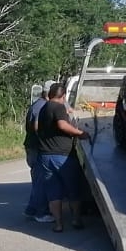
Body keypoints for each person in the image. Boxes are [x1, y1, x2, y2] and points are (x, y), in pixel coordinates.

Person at [34, 81, 92, 232]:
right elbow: (62, 125)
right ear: (63, 96)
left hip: (45, 156)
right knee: (73, 189)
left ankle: (58, 225)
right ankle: (76, 220)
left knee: (53, 192)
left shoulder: (43, 108)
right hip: (63, 156)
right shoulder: (59, 107)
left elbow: (38, 127)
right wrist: (80, 133)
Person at [23, 83, 49, 222]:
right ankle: (41, 213)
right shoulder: (41, 107)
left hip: (32, 146)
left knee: (38, 180)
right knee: (41, 180)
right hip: (36, 147)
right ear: (47, 93)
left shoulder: (37, 104)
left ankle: (31, 209)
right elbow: (37, 128)